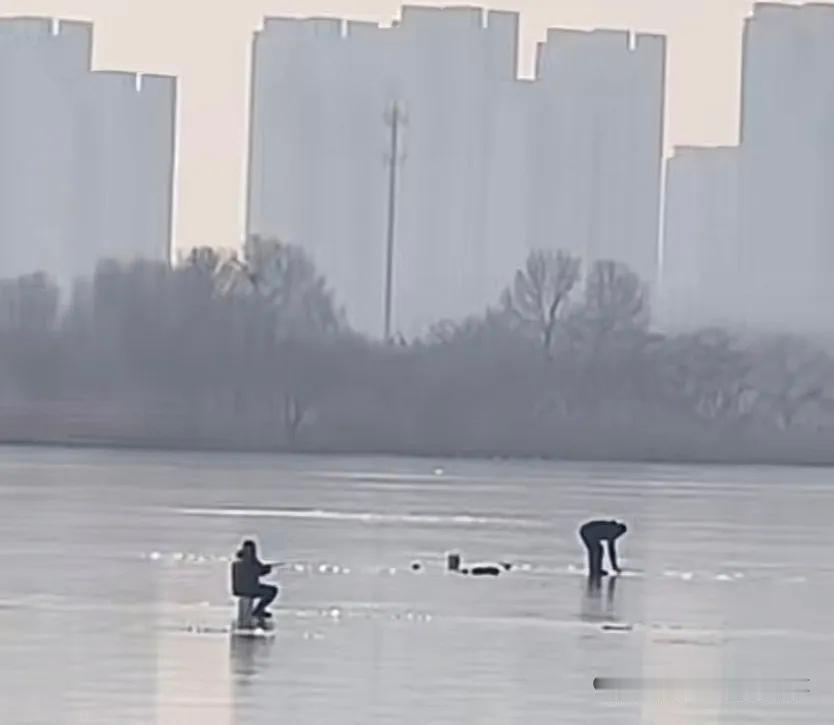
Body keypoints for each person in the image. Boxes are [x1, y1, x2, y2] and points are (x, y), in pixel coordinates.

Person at [231, 539, 278, 624]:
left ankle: (258, 611)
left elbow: (256, 571)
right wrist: (268, 568)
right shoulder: (252, 561)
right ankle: (258, 611)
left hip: (238, 590)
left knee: (263, 590)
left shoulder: (237, 562)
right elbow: (260, 571)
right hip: (251, 589)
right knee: (272, 591)